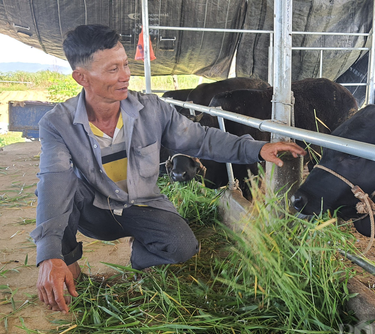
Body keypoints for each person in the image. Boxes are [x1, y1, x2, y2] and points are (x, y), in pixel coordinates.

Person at [31, 24, 306, 314]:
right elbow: (54, 183)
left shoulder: (152, 109)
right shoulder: (57, 124)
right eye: (113, 70)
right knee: (59, 191)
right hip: (94, 210)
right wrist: (48, 254)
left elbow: (201, 139)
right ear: (81, 77)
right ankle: (69, 271)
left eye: (126, 65)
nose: (126, 76)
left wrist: (255, 149)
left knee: (183, 247)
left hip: (141, 204)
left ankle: (140, 255)